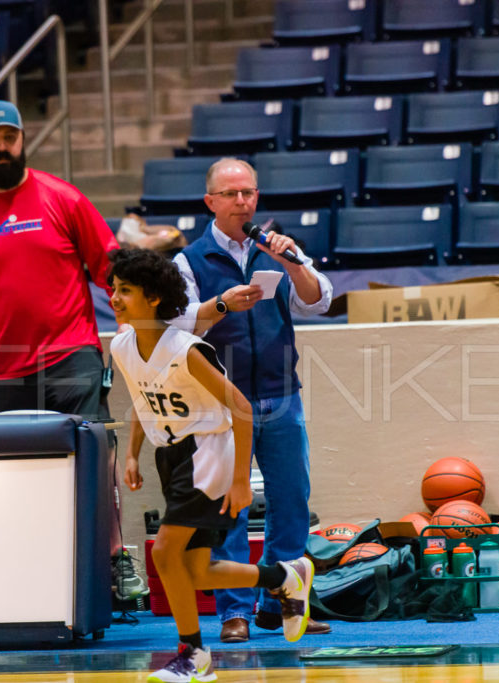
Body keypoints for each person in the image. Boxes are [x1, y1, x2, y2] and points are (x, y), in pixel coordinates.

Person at [0, 100, 146, 601]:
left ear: (23, 140)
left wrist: (137, 329)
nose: (3, 147)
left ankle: (114, 560)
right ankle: (13, 570)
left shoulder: (62, 199)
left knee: (96, 458)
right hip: (1, 370)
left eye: (10, 138)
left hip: (71, 356)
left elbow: (110, 270)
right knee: (6, 473)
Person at [108, 247, 314, 682]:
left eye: (125, 291)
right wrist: (131, 452)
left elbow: (239, 406)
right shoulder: (122, 344)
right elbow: (143, 399)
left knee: (165, 552)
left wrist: (241, 480)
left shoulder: (185, 349)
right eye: (113, 289)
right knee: (198, 570)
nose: (115, 298)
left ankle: (193, 655)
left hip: (207, 453)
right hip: (172, 455)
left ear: (155, 298)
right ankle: (285, 575)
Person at [172, 157, 334, 643]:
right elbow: (180, 328)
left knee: (291, 503)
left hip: (282, 395)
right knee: (229, 511)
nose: (242, 202)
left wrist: (291, 261)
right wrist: (222, 305)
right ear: (211, 202)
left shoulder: (277, 249)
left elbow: (320, 299)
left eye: (248, 194)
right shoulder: (189, 260)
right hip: (220, 402)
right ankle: (234, 611)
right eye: (231, 194)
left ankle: (280, 603)